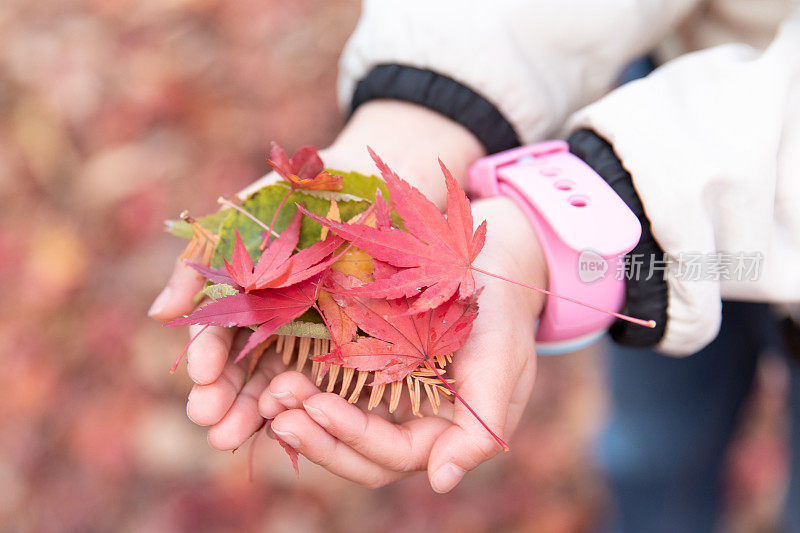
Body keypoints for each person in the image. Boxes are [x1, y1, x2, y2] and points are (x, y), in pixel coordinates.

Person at [149, 2, 800, 530]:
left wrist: (562, 225)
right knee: (650, 442)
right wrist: (427, 99)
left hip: (675, 181)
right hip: (657, 122)